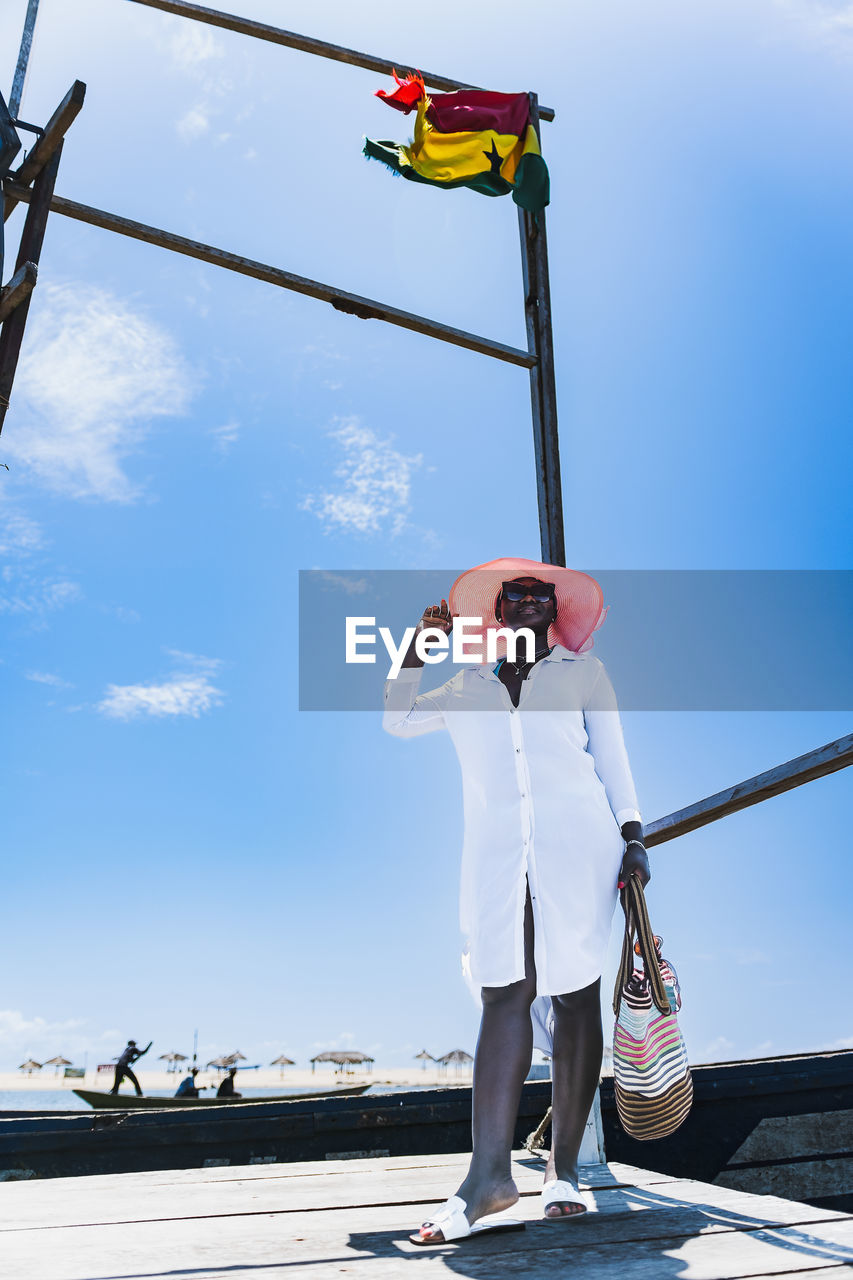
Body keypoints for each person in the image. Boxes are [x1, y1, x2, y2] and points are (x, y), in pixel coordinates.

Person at [383, 558, 650, 1244]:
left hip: (581, 846)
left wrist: (633, 837)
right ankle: (488, 1178)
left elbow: (612, 758)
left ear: (554, 610)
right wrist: (419, 644)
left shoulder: (584, 674)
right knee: (503, 988)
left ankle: (562, 1171)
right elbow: (398, 718)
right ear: (497, 612)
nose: (528, 599)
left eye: (540, 592)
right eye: (515, 593)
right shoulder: (464, 685)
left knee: (574, 993)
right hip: (499, 854)